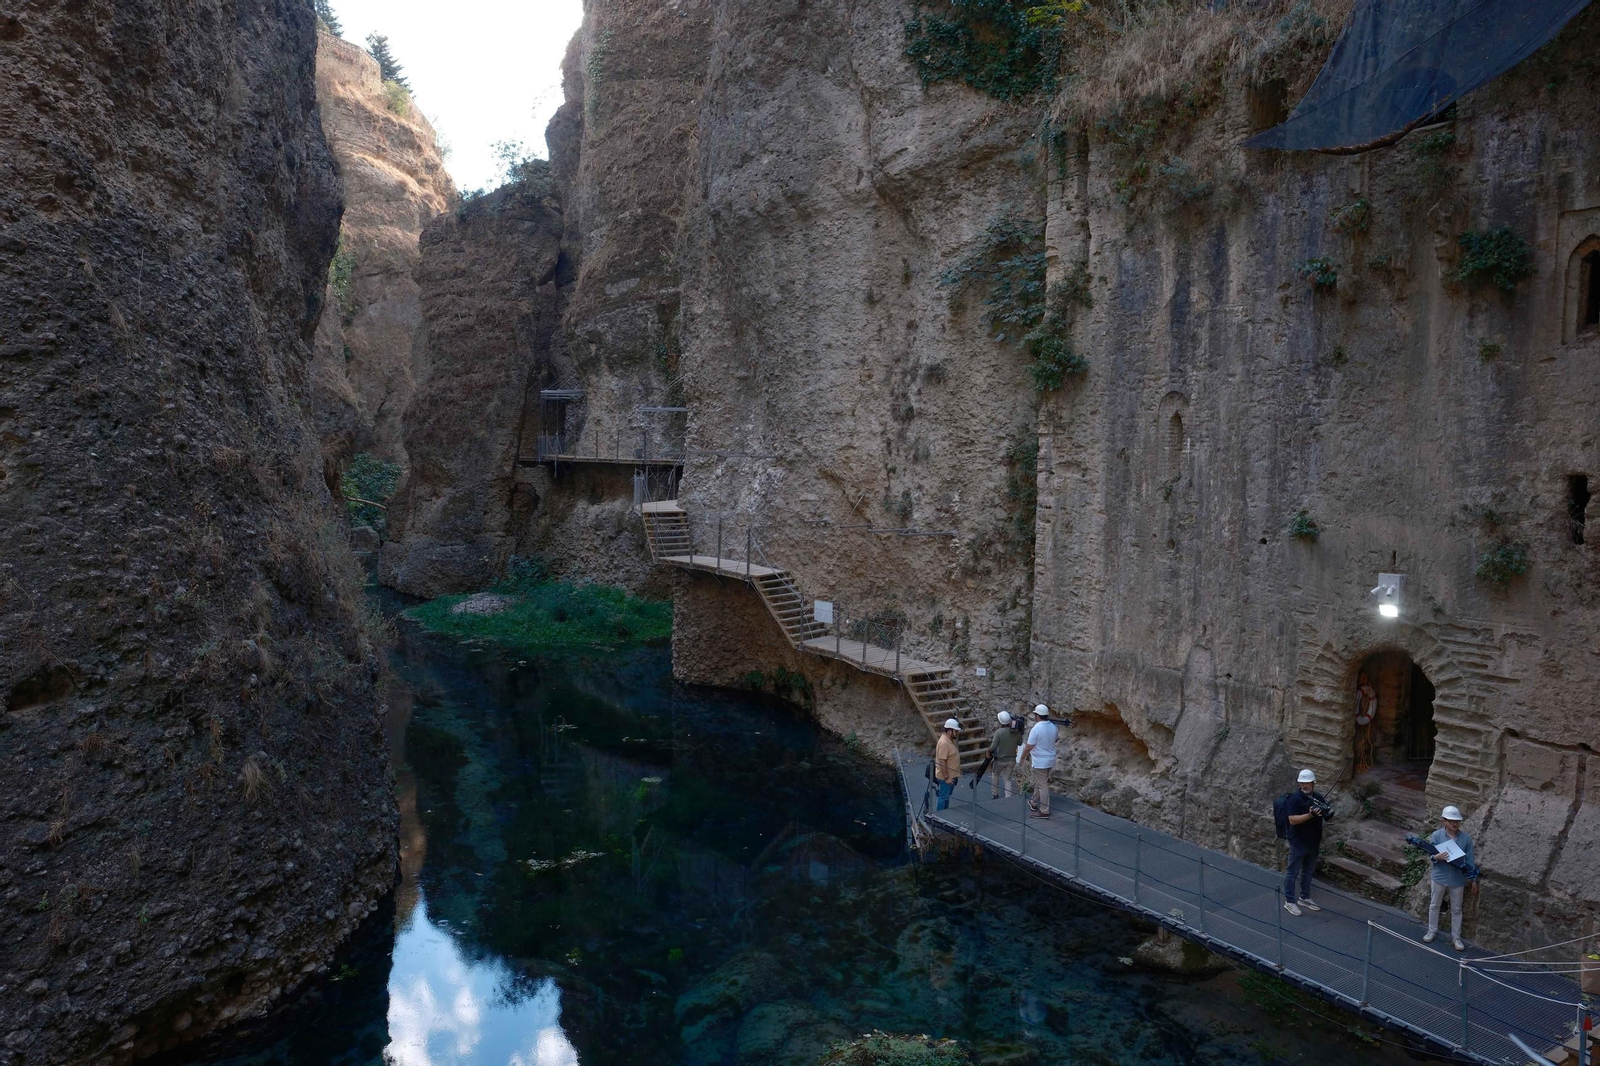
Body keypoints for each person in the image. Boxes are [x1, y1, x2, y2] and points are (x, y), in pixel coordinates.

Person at [1424, 805, 1478, 951]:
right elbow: (1431, 854)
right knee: (1434, 905)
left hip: (1457, 878)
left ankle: (1456, 937)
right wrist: (1437, 857)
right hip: (1439, 875)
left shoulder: (1466, 839)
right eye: (1451, 821)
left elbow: (1470, 860)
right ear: (1444, 821)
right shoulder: (1437, 836)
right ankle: (1431, 930)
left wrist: (1473, 879)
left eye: (1457, 821)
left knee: (1456, 909)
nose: (1455, 824)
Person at [1282, 768, 1331, 916]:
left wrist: (1327, 811)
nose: (1305, 786)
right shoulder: (1294, 799)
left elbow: (1328, 817)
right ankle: (1289, 901)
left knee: (1308, 872)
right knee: (1292, 873)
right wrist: (1310, 815)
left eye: (1308, 783)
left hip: (1313, 842)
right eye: (1302, 783)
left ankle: (1304, 897)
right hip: (1298, 842)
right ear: (1299, 783)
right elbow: (1292, 820)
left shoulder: (1318, 798)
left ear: (1313, 783)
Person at [1019, 704, 1059, 818]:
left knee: (1042, 785)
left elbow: (1029, 746)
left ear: (1037, 716)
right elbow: (1056, 739)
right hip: (1050, 759)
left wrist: (1022, 758)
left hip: (1040, 761)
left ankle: (1044, 810)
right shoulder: (1053, 727)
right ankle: (1033, 801)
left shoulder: (1036, 728)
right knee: (1040, 782)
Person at [989, 711, 1021, 799]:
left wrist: (988, 751)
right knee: (1007, 778)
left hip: (1000, 760)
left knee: (995, 774)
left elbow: (993, 746)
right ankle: (1008, 796)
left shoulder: (999, 732)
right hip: (1012, 760)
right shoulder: (1016, 732)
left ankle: (995, 794)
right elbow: (1020, 742)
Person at [934, 718, 961, 811]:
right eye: (956, 731)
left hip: (951, 776)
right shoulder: (944, 743)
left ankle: (945, 813)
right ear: (950, 731)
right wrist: (946, 778)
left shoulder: (950, 740)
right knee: (943, 797)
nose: (957, 733)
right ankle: (940, 816)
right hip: (946, 777)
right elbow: (942, 761)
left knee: (946, 796)